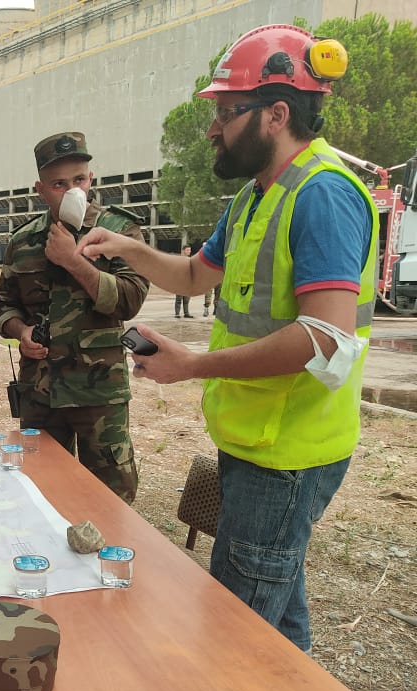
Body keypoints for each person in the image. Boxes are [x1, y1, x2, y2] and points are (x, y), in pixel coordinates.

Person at [78, 25, 376, 652]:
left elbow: (326, 337)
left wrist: (193, 365)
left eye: (224, 111)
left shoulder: (322, 195)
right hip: (256, 442)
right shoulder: (254, 196)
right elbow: (193, 274)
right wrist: (128, 247)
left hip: (288, 456)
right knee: (278, 621)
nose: (212, 127)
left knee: (237, 637)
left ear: (275, 113)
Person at [0, 132, 150, 503]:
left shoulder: (119, 231)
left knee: (111, 499)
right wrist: (22, 331)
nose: (71, 191)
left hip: (99, 393)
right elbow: (4, 305)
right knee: (41, 489)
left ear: (91, 180)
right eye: (59, 184)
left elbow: (129, 300)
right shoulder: (24, 240)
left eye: (79, 180)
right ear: (41, 190)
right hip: (41, 392)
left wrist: (72, 260)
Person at [175, 245, 194, 317]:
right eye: (188, 250)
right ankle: (177, 313)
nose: (189, 251)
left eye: (190, 250)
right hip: (180, 282)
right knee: (178, 299)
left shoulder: (190, 260)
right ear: (183, 251)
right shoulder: (179, 260)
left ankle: (186, 313)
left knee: (186, 299)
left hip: (188, 282)